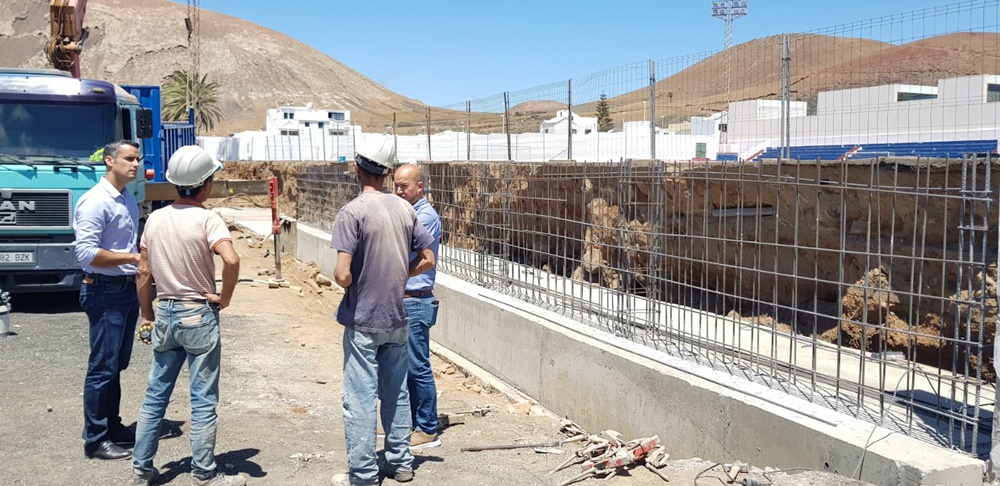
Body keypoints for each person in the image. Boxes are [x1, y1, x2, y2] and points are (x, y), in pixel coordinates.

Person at [130, 145, 245, 486]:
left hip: (165, 312)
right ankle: (204, 472)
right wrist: (224, 298)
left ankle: (142, 468)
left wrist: (147, 314)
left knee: (156, 395)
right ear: (205, 184)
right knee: (203, 399)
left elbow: (143, 271)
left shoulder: (155, 219)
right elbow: (232, 259)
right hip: (198, 314)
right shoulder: (208, 219)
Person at [330, 137, 435, 486]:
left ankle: (363, 474)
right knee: (397, 394)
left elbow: (342, 274)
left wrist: (361, 281)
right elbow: (428, 258)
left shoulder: (352, 212)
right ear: (388, 173)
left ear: (356, 168)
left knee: (360, 398)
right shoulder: (405, 209)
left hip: (364, 319)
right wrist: (399, 276)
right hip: (397, 317)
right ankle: (401, 464)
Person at [74, 139, 142, 461]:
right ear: (109, 161)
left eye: (137, 159)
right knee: (102, 368)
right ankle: (95, 439)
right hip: (104, 290)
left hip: (125, 289)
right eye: (129, 158)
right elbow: (86, 254)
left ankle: (112, 427)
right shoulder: (94, 201)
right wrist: (134, 258)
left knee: (116, 364)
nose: (136, 164)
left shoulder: (127, 198)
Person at [392, 164, 442, 450]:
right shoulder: (406, 212)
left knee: (417, 367)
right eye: (396, 186)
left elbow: (405, 249)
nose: (399, 191)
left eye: (405, 186)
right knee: (402, 366)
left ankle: (426, 427)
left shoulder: (425, 217)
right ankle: (406, 421)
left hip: (416, 299)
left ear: (420, 187)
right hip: (404, 298)